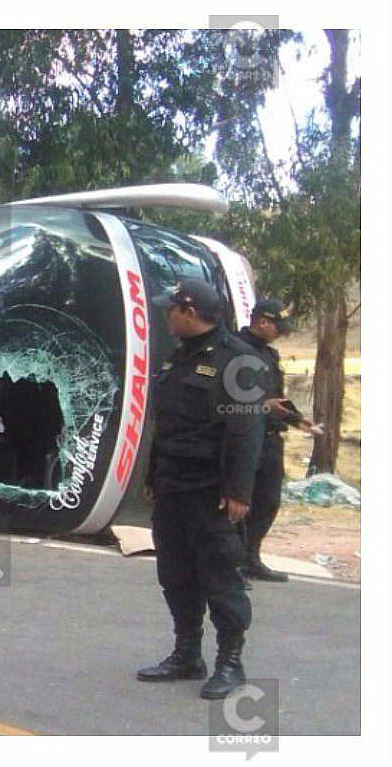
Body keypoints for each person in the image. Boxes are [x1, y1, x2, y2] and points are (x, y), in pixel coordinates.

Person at [137, 279, 266, 700]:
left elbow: (246, 432)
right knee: (175, 575)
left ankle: (231, 661)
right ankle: (187, 654)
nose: (165, 315)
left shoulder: (238, 361)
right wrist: (154, 477)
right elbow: (166, 426)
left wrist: (240, 493)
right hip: (174, 487)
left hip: (212, 491)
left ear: (189, 312)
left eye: (170, 309)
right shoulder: (179, 358)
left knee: (221, 577)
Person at [236, 299, 322, 584]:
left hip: (271, 440)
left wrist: (297, 420)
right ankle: (230, 564)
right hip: (244, 438)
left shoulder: (269, 355)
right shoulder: (233, 350)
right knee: (237, 502)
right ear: (262, 321)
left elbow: (276, 397)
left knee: (268, 502)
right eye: (277, 327)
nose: (280, 334)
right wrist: (262, 408)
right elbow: (229, 399)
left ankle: (250, 558)